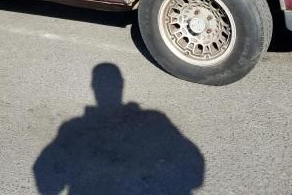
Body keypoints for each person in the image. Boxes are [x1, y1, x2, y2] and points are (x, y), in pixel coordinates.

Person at [33, 63, 205, 194]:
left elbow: (47, 182)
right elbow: (194, 170)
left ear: (93, 86)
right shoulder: (155, 120)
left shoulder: (73, 128)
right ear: (122, 84)